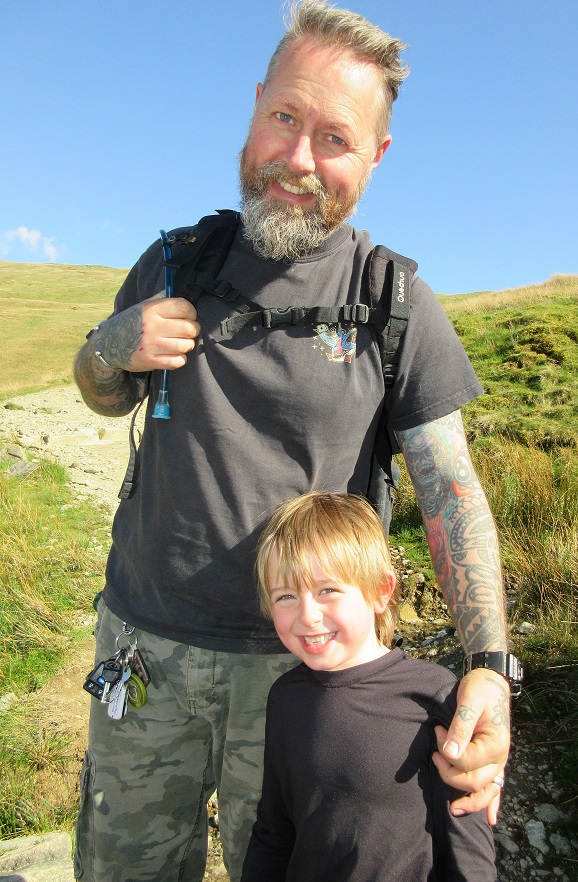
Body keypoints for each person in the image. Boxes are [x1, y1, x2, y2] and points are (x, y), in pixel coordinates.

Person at [73, 2, 515, 880]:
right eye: (284, 117)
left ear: (376, 155)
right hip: (143, 649)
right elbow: (104, 394)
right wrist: (106, 350)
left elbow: (451, 490)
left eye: (335, 138)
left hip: (309, 677)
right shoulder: (174, 262)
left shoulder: (395, 304)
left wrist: (491, 669)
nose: (299, 158)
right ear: (254, 107)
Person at [241, 491, 497, 882]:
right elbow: (274, 831)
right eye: (286, 596)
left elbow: (468, 846)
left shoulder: (437, 696)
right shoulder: (284, 697)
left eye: (327, 590)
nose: (307, 615)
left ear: (380, 591)